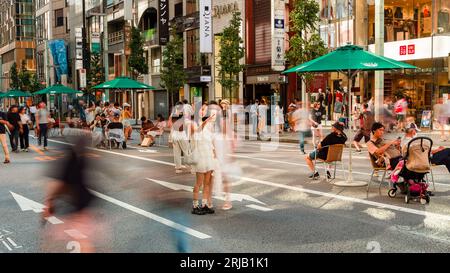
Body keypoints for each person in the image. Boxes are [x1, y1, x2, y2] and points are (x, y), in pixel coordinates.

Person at [190, 112, 216, 215]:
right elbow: (197, 131)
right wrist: (205, 122)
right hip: (200, 158)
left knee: (207, 183)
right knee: (199, 183)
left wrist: (214, 157)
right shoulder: (194, 129)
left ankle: (204, 205)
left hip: (209, 158)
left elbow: (211, 145)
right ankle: (195, 206)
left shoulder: (207, 131)